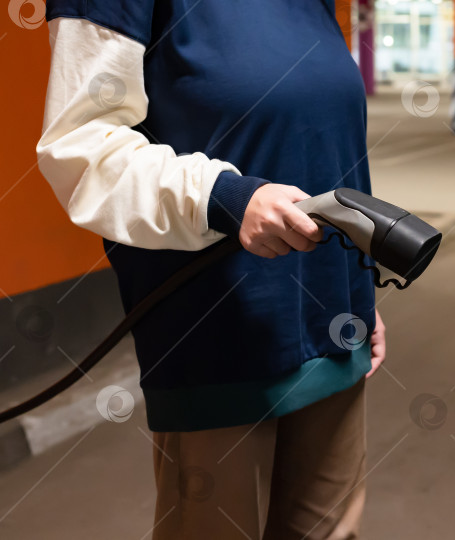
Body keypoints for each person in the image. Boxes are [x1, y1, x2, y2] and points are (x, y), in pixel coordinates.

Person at [36, 1, 385, 538]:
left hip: (336, 328)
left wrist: (359, 295)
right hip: (217, 337)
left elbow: (326, 141)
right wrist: (225, 196)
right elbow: (82, 150)